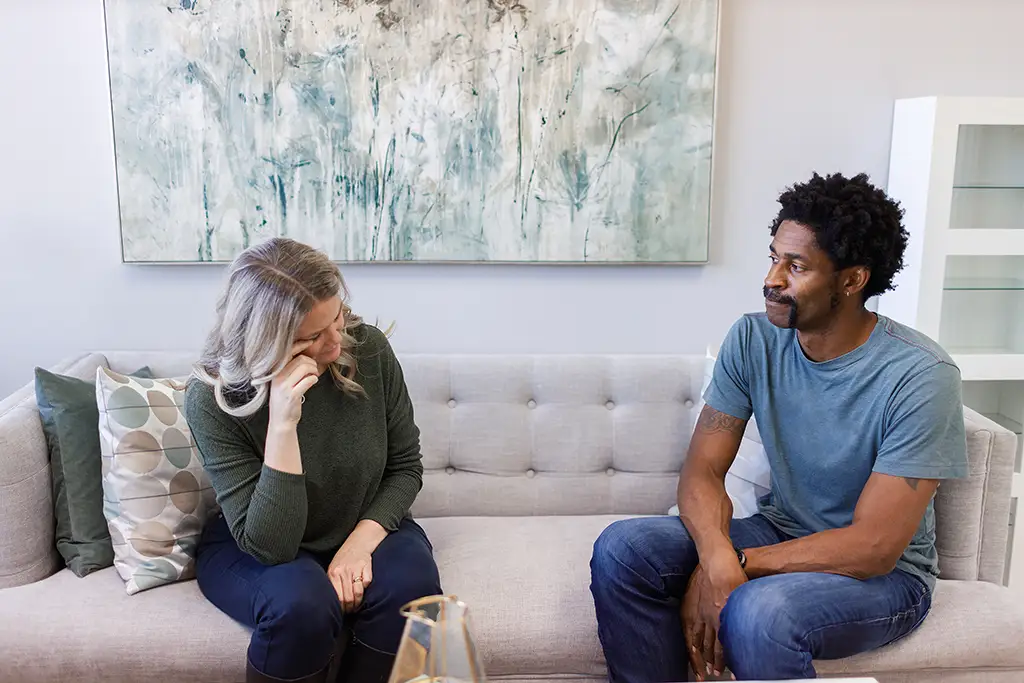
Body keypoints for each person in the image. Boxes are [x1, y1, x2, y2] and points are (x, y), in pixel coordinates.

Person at [590, 172, 969, 682]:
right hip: (783, 529)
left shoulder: (922, 376)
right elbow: (702, 470)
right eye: (774, 257)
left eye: (796, 266)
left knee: (760, 611)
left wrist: (736, 564)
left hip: (887, 579)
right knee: (625, 550)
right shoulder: (753, 340)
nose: (772, 278)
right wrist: (716, 553)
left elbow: (875, 547)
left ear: (852, 280)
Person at [184, 237, 442, 683]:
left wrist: (357, 546)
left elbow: (406, 466)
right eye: (311, 338)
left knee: (411, 592)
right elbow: (271, 545)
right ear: (264, 341)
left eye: (337, 319)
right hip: (256, 541)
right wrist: (283, 422)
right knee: (301, 606)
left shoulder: (370, 349)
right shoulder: (212, 400)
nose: (335, 345)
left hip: (362, 522)